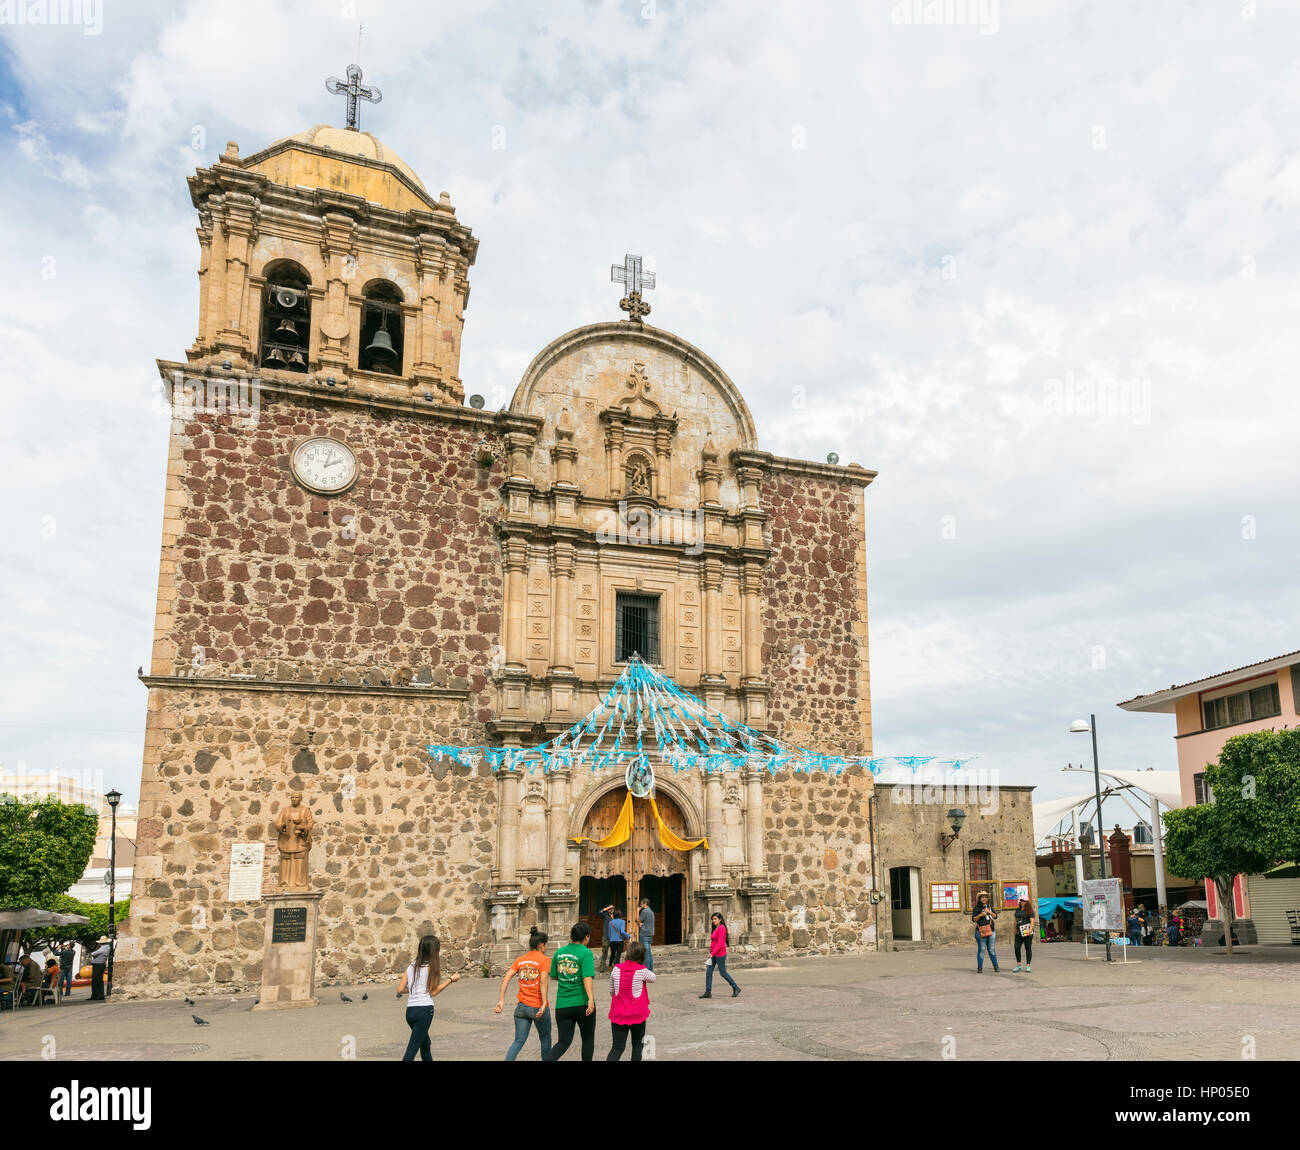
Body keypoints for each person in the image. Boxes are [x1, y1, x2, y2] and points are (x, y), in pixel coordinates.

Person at [395, 934, 459, 1062]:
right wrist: (451, 980)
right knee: (411, 1051)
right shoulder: (431, 967)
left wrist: (415, 990)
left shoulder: (411, 966)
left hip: (410, 1012)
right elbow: (433, 992)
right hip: (424, 1011)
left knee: (425, 1044)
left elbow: (400, 989)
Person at [495, 928, 551, 1061]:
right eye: (546, 945)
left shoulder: (520, 960)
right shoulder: (544, 960)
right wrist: (544, 1003)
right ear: (541, 945)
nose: (546, 947)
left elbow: (506, 978)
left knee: (518, 1041)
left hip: (521, 1007)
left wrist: (501, 1000)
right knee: (545, 1039)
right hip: (537, 1006)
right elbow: (543, 982)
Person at [548, 922, 597, 1061]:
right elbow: (587, 977)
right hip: (582, 1003)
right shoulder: (586, 953)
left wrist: (567, 978)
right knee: (587, 1040)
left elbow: (553, 975)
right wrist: (591, 999)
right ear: (586, 937)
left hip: (562, 1005)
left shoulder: (559, 952)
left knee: (563, 1042)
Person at [607, 940, 655, 1061]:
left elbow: (612, 991)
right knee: (637, 1046)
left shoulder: (616, 969)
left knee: (617, 1048)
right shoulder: (642, 971)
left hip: (619, 1013)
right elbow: (653, 978)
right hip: (637, 1013)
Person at [700, 912, 740, 998]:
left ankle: (735, 987)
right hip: (714, 954)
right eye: (713, 919)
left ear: (720, 919)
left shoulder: (721, 928)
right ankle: (708, 992)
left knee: (723, 972)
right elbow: (714, 942)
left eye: (715, 919)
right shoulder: (716, 928)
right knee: (708, 972)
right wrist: (711, 952)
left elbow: (720, 943)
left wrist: (712, 953)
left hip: (720, 954)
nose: (713, 921)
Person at [971, 892, 1000, 972]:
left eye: (985, 897)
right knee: (982, 949)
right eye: (982, 897)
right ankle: (980, 968)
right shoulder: (977, 908)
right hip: (980, 931)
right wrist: (980, 915)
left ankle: (996, 967)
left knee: (991, 949)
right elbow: (974, 919)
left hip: (991, 931)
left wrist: (989, 912)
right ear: (979, 899)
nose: (984, 899)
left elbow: (995, 916)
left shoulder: (990, 907)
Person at [1012, 898, 1035, 972]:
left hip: (1027, 932)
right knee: (1017, 948)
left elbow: (1032, 921)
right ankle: (1019, 965)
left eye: (1023, 901)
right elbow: (1015, 920)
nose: (1022, 902)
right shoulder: (1018, 910)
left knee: (1027, 948)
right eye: (1021, 901)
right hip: (1019, 932)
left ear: (1027, 902)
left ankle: (1028, 966)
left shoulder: (1030, 910)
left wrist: (1030, 930)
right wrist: (1015, 930)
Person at [637, 897, 656, 973]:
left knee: (646, 953)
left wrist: (637, 911)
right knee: (649, 952)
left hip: (644, 934)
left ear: (645, 903)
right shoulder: (651, 911)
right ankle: (650, 969)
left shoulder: (645, 911)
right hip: (650, 934)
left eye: (641, 903)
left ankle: (647, 970)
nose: (640, 905)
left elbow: (638, 919)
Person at [89, 936, 110, 1001]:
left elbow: (93, 953)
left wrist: (94, 951)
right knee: (95, 980)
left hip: (99, 964)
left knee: (98, 980)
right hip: (97, 964)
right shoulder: (103, 947)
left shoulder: (105, 947)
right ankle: (95, 994)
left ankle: (100, 995)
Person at [599, 903, 616, 971]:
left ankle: (615, 966)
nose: (611, 910)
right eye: (610, 909)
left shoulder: (616, 916)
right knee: (604, 952)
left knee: (614, 953)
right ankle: (602, 966)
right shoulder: (605, 916)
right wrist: (607, 907)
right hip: (606, 937)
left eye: (612, 909)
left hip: (614, 937)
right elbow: (600, 912)